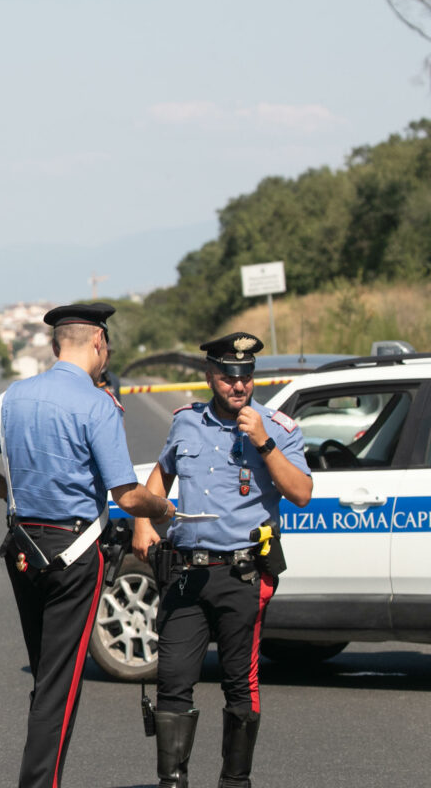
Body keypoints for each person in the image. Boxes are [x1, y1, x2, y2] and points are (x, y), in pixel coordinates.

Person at [0, 302, 179, 788]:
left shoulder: (12, 398)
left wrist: (6, 490)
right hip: (74, 556)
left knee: (47, 680)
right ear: (98, 343)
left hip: (23, 550)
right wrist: (161, 508)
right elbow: (125, 494)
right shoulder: (96, 404)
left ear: (55, 345)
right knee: (61, 686)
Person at [133, 332, 313, 788]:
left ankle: (235, 782)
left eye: (247, 377)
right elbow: (163, 471)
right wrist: (143, 521)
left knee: (239, 682)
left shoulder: (277, 427)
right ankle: (172, 781)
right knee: (172, 679)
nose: (240, 386)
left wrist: (265, 444)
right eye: (230, 377)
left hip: (242, 572)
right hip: (187, 572)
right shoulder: (186, 423)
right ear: (211, 376)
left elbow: (302, 493)